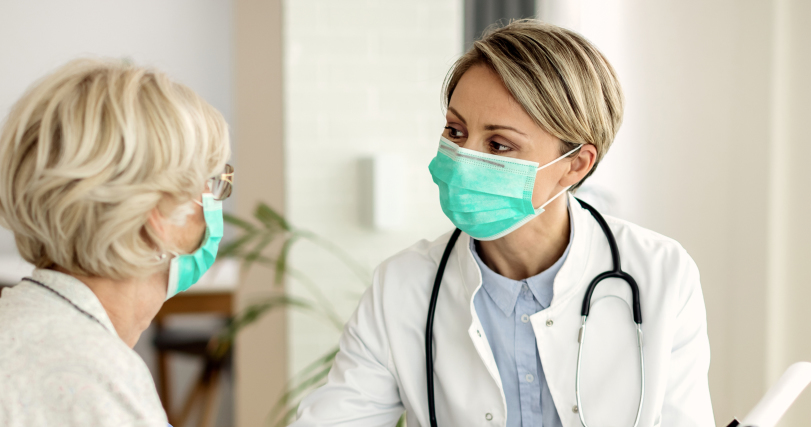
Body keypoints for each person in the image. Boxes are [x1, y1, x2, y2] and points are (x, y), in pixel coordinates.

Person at [290, 20, 712, 427]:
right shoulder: (402, 287)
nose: (464, 158)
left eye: (498, 144)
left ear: (575, 166)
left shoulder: (661, 274)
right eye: (455, 131)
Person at [0, 58, 232, 426]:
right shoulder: (98, 381)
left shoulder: (7, 338)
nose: (216, 204)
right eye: (213, 184)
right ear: (157, 218)